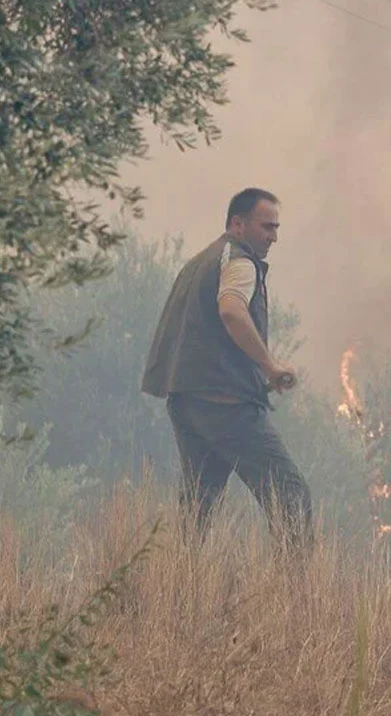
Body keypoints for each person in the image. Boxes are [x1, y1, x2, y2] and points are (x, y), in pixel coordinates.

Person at [141, 187, 312, 550]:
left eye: (276, 228)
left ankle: (179, 581)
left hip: (186, 403)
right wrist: (269, 365)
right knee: (290, 495)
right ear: (238, 224)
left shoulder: (199, 263)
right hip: (226, 406)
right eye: (266, 227)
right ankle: (299, 585)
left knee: (197, 510)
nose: (273, 237)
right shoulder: (240, 262)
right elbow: (232, 310)